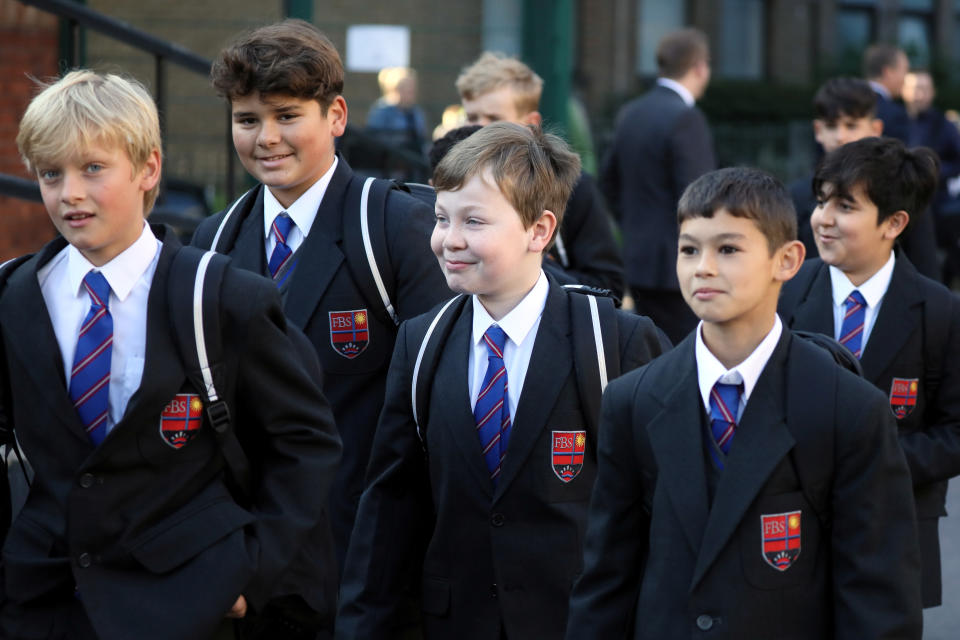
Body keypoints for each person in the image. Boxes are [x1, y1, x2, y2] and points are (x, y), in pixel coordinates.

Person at [1, 69, 341, 640]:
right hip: (45, 599)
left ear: (148, 169)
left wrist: (250, 574)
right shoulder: (13, 296)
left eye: (93, 168)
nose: (70, 194)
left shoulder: (224, 295)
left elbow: (304, 444)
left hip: (185, 599)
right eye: (51, 174)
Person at [336, 123, 669, 639]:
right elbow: (389, 509)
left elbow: (660, 509)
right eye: (442, 218)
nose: (451, 240)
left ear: (539, 230)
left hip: (576, 622)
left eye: (474, 221)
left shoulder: (613, 342)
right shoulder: (421, 343)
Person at [566, 166, 922, 639]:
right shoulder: (634, 399)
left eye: (728, 249)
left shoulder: (848, 408)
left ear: (788, 260)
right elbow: (608, 576)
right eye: (689, 249)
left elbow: (878, 596)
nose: (703, 268)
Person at [192, 18, 451, 634]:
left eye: (287, 116)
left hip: (365, 560)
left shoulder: (394, 229)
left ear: (335, 116)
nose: (266, 138)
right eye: (247, 119)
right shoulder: (213, 243)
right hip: (255, 565)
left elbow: (437, 403)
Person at [779, 136, 960, 609]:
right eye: (821, 202)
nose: (823, 219)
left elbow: (954, 432)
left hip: (896, 529)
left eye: (845, 206)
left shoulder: (939, 312)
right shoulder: (783, 290)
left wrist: (877, 457)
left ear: (894, 223)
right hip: (795, 526)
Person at [456, 52, 625, 296]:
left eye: (494, 119)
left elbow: (609, 285)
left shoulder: (572, 187)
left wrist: (526, 262)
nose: (478, 128)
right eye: (472, 117)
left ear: (531, 122)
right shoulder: (450, 187)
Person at [602, 27, 715, 344]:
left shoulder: (631, 113)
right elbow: (700, 198)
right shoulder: (686, 118)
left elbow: (609, 183)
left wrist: (634, 225)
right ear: (699, 67)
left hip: (637, 259)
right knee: (684, 356)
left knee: (650, 353)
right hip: (678, 264)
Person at [789, 77, 881, 258]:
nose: (841, 136)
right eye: (831, 126)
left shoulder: (899, 191)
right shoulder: (795, 198)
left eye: (851, 125)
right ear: (818, 130)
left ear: (875, 129)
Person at [902, 70, 960, 282]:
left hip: (935, 202)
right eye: (915, 88)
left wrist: (931, 171)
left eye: (925, 89)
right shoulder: (895, 120)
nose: (920, 95)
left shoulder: (942, 124)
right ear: (904, 90)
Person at [366, 66, 429, 157]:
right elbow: (375, 141)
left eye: (413, 88)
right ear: (394, 89)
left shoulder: (416, 112)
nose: (412, 92)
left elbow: (422, 139)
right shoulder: (381, 111)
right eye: (407, 88)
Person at [863, 43, 910, 143]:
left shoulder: (846, 103)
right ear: (888, 72)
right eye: (905, 71)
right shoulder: (895, 114)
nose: (906, 78)